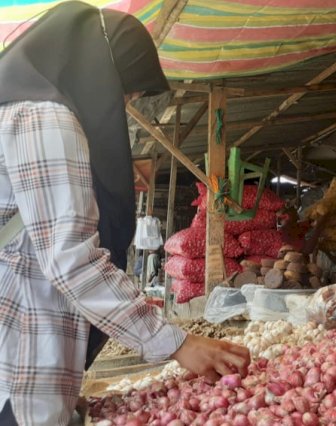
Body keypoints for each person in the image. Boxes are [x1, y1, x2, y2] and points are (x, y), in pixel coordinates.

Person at [0, 3, 250, 424]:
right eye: (125, 92)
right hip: (18, 360)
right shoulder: (42, 115)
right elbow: (70, 260)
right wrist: (175, 342)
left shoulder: (20, 105)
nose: (124, 104)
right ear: (98, 73)